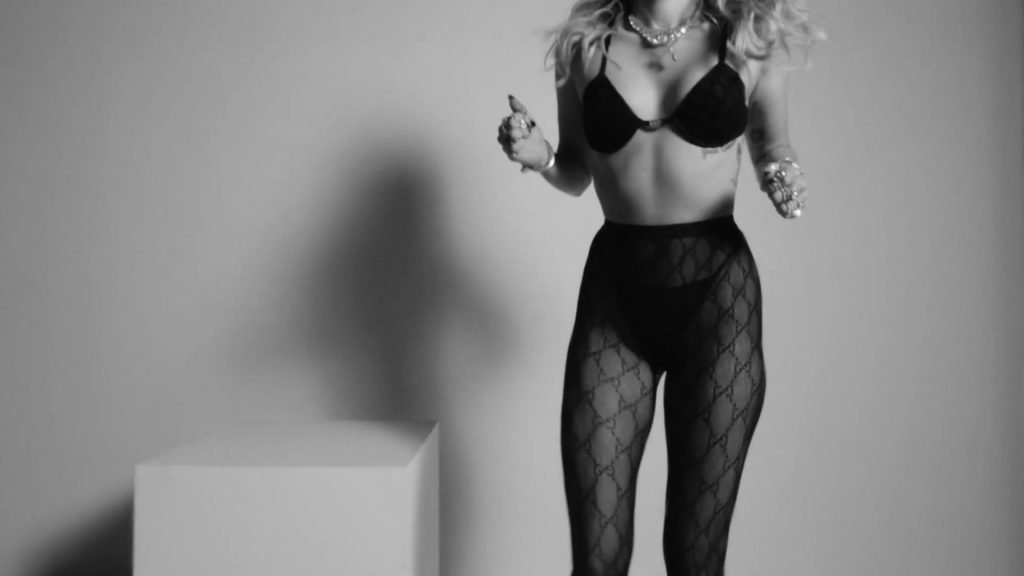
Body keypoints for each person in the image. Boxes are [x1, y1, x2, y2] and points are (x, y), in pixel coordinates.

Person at [496, 0, 821, 574]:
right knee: (598, 560)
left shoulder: (747, 36)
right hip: (616, 296)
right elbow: (575, 169)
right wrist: (540, 157)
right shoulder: (585, 42)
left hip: (718, 300)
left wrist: (780, 176)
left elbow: (772, 145)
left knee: (694, 558)